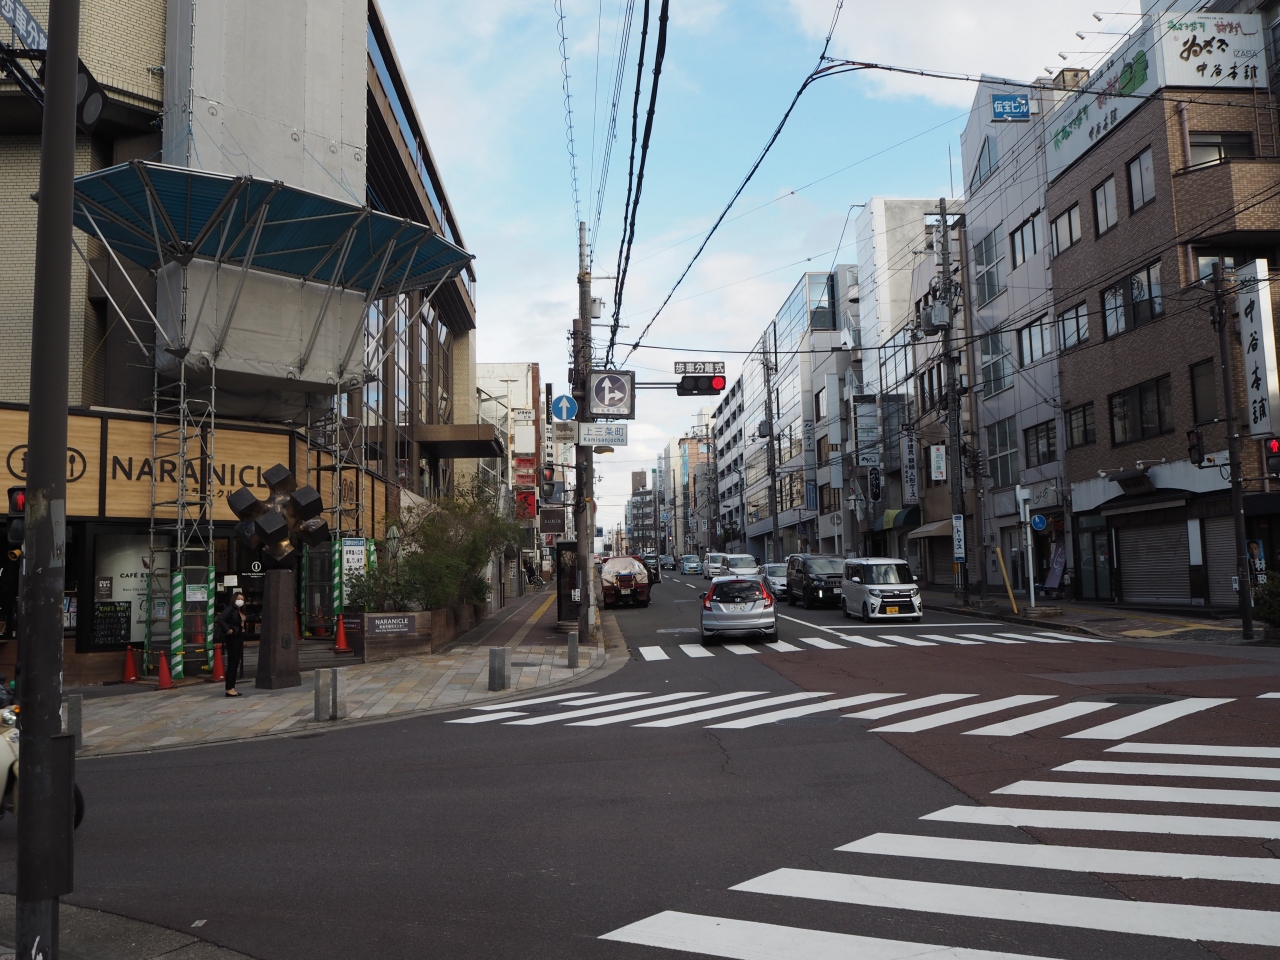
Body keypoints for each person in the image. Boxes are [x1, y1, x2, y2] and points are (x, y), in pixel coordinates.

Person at [215, 591, 248, 697]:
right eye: (238, 598)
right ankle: (229, 688)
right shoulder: (230, 609)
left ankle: (232, 687)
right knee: (232, 663)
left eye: (242, 599)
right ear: (234, 599)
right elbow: (220, 619)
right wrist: (228, 630)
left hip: (239, 636)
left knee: (236, 662)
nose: (240, 601)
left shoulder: (241, 610)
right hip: (232, 637)